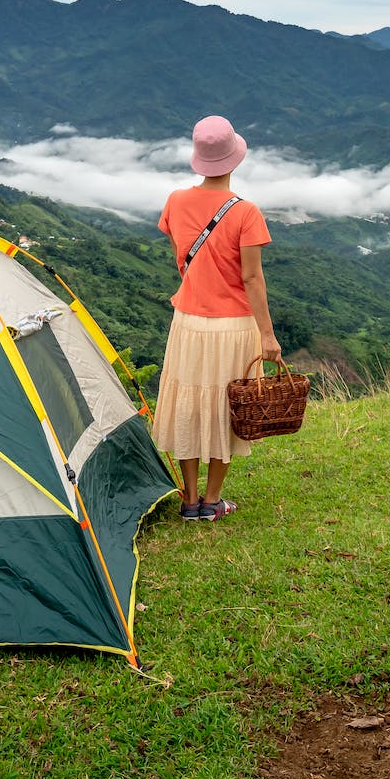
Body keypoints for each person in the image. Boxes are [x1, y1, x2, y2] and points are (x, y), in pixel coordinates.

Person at [151, 115, 281, 522]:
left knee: (190, 406)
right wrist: (268, 335)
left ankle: (189, 501)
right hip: (233, 326)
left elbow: (181, 255)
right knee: (229, 409)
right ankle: (212, 501)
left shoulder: (175, 201)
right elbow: (251, 277)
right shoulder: (247, 212)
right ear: (233, 160)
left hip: (188, 322)